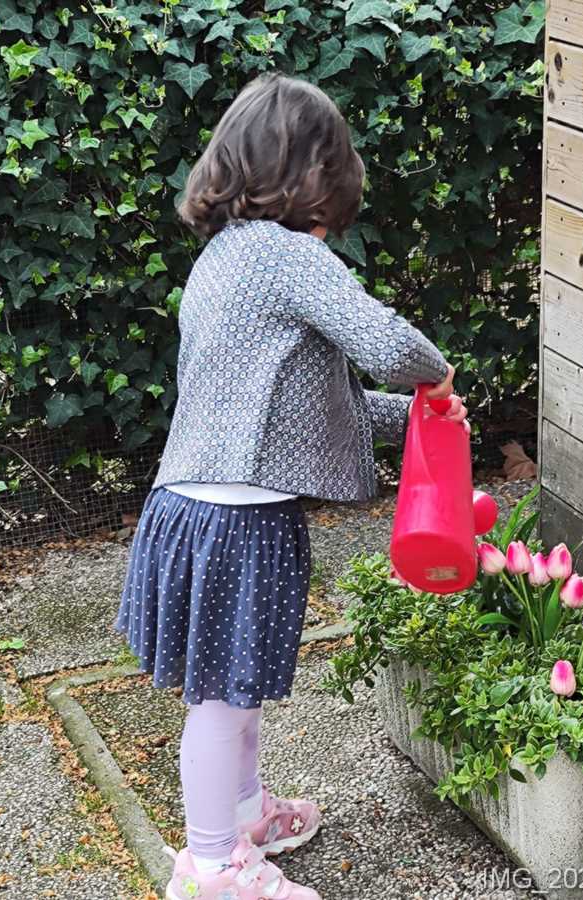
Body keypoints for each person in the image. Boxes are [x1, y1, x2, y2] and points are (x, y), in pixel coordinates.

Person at [114, 72, 467, 900]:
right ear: (316, 174)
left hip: (200, 510)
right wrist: (437, 374)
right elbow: (385, 343)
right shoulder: (284, 256)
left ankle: (242, 815)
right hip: (234, 520)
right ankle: (211, 867)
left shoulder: (225, 259)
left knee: (235, 692)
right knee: (221, 702)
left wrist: (420, 416)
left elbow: (315, 408)